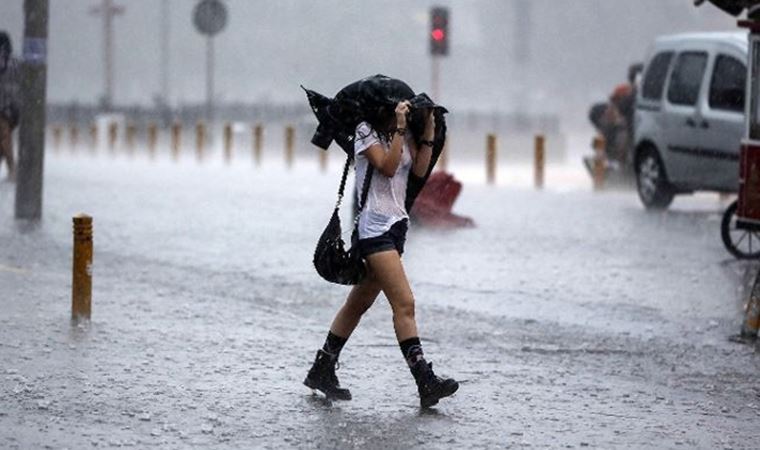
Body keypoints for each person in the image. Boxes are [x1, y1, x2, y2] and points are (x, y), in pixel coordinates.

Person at [304, 99, 459, 408]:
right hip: (373, 228)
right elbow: (387, 167)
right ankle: (424, 380)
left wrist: (427, 127)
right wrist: (400, 128)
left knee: (358, 303)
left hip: (396, 227)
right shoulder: (365, 132)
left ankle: (322, 367)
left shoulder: (405, 135)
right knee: (405, 303)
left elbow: (419, 169)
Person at [0, 31, 20, 182]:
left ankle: (12, 169)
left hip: (5, 108)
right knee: (4, 137)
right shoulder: (16, 64)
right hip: (13, 109)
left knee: (4, 136)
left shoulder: (11, 64)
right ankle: (11, 169)